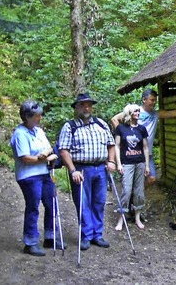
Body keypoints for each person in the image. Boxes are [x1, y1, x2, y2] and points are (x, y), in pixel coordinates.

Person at [57, 93, 116, 250]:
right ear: (76, 107)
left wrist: (111, 161)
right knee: (83, 203)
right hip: (81, 169)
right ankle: (86, 235)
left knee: (99, 202)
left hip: (101, 169)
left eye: (89, 104)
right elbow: (63, 150)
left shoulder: (101, 124)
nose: (86, 108)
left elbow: (111, 144)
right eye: (82, 105)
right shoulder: (70, 126)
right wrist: (72, 170)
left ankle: (97, 234)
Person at [111, 88, 176, 186]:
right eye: (152, 100)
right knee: (133, 178)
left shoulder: (155, 114)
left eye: (155, 100)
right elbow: (114, 119)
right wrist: (123, 136)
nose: (154, 103)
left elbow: (174, 113)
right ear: (144, 100)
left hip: (147, 152)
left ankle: (136, 193)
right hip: (133, 153)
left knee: (152, 178)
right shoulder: (135, 111)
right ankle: (134, 196)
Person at [10, 100, 66, 256]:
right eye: (36, 116)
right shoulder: (20, 134)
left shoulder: (38, 131)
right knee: (33, 206)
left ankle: (50, 237)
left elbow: (48, 146)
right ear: (27, 117)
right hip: (28, 176)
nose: (39, 118)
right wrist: (44, 159)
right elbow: (25, 158)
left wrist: (47, 154)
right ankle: (30, 242)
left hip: (43, 173)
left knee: (51, 203)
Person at [114, 104, 149, 230]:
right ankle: (121, 219)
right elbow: (117, 146)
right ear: (129, 113)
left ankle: (138, 217)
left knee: (139, 191)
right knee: (126, 190)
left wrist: (147, 165)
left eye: (139, 111)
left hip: (140, 163)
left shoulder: (142, 129)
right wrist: (118, 163)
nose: (138, 113)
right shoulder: (121, 128)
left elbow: (145, 147)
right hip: (126, 163)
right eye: (135, 111)